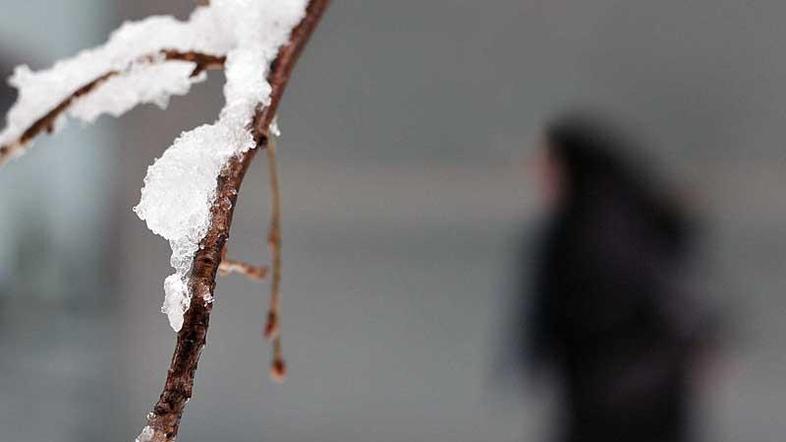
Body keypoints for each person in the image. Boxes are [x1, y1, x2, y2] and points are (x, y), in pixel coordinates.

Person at [525, 113, 715, 442]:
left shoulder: (595, 224)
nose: (543, 178)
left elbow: (615, 300)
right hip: (640, 386)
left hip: (617, 391)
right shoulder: (628, 214)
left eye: (548, 166)